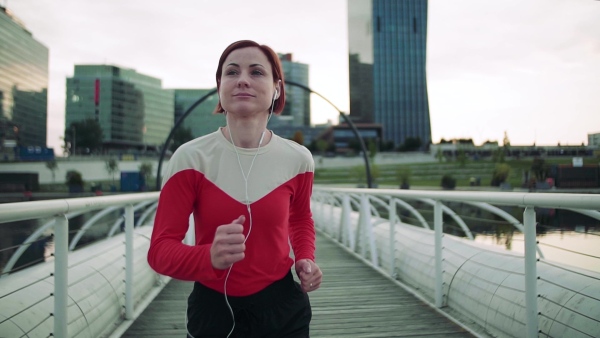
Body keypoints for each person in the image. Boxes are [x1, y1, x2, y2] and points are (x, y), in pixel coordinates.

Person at [147, 40, 322, 338]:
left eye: (256, 72)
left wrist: (306, 256)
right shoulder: (191, 158)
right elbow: (160, 252)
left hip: (283, 309)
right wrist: (208, 257)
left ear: (276, 88)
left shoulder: (299, 159)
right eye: (231, 72)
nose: (242, 79)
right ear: (219, 86)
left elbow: (300, 218)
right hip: (214, 310)